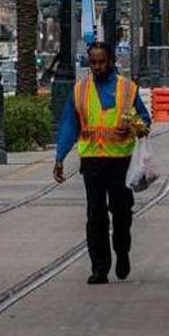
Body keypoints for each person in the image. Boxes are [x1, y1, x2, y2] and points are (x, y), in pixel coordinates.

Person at [52, 42, 152, 284]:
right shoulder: (80, 90)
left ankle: (122, 251)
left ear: (110, 61)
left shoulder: (127, 88)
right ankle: (99, 267)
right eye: (93, 62)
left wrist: (136, 125)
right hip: (92, 162)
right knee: (95, 215)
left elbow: (144, 120)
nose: (96, 67)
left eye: (101, 62)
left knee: (121, 212)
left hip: (121, 162)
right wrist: (60, 157)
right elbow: (69, 124)